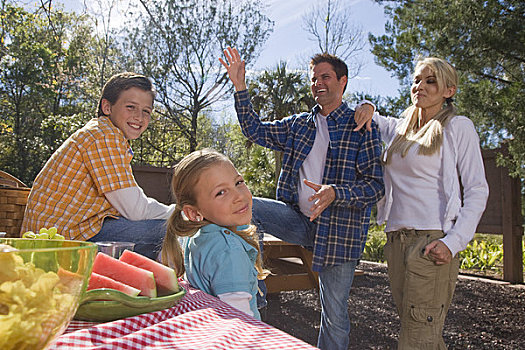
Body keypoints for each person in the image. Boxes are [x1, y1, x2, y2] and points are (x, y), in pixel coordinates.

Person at [219, 47, 385, 350]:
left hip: (339, 233)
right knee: (244, 206)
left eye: (325, 77)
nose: (318, 83)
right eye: (313, 79)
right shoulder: (299, 124)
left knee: (334, 316)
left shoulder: (362, 127)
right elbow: (254, 130)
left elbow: (375, 187)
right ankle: (252, 292)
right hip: (298, 220)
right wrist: (240, 87)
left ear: (343, 81)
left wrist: (336, 193)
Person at [354, 57, 489, 349]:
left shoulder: (457, 127)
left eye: (430, 81)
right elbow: (373, 118)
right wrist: (367, 104)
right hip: (397, 241)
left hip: (430, 243)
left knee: (417, 338)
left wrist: (453, 243)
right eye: (417, 80)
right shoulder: (403, 128)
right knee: (422, 335)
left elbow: (478, 189)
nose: (420, 87)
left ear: (448, 90)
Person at [21, 72, 174, 259]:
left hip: (70, 233)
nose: (139, 117)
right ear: (107, 106)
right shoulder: (104, 136)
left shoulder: (103, 133)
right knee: (172, 229)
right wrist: (180, 213)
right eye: (131, 107)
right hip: (63, 244)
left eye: (146, 111)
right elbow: (136, 210)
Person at [160, 148, 268, 320]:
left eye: (239, 182)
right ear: (194, 213)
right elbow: (239, 320)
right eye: (221, 192)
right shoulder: (229, 251)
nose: (239, 196)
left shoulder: (194, 238)